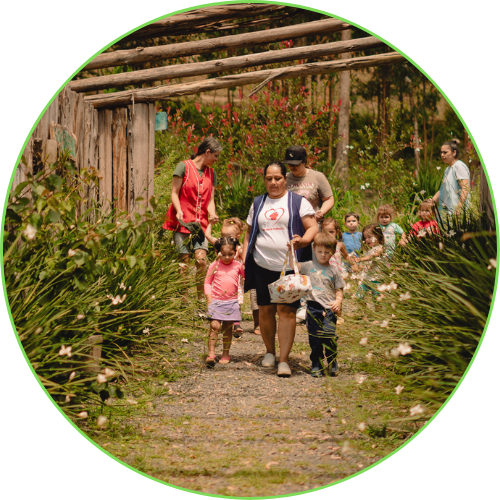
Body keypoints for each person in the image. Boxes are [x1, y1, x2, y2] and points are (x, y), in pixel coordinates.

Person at [242, 161, 319, 377]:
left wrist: (303, 241)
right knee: (265, 310)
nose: (273, 182)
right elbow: (249, 232)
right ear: (264, 180)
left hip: (288, 268)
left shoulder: (298, 201)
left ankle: (284, 360)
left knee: (286, 311)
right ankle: (269, 352)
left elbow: (313, 227)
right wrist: (244, 258)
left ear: (285, 179)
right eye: (269, 179)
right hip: (261, 264)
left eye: (277, 178)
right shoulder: (258, 202)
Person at [162, 137, 222, 310]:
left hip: (200, 224)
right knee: (184, 263)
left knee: (201, 261)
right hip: (182, 221)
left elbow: (211, 200)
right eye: (216, 156)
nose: (216, 160)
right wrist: (178, 210)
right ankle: (184, 300)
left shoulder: (211, 173)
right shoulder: (183, 167)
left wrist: (212, 213)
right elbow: (174, 192)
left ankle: (200, 299)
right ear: (207, 152)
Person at [290, 232, 344, 377]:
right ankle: (317, 363)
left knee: (329, 335)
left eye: (327, 252)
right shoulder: (308, 266)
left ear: (333, 252)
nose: (323, 255)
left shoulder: (334, 271)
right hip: (313, 307)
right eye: (320, 251)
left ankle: (332, 361)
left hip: (329, 308)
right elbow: (292, 265)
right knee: (314, 337)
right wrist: (291, 249)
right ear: (314, 249)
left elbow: (339, 289)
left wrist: (338, 301)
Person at [204, 237, 245, 366]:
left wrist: (245, 265)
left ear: (235, 253)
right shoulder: (214, 265)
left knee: (227, 329)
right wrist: (209, 298)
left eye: (230, 254)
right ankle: (211, 353)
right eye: (223, 254)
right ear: (217, 253)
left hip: (231, 302)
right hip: (216, 301)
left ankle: (225, 353)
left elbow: (246, 277)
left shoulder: (238, 265)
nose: (227, 257)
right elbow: (207, 282)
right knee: (215, 326)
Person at [206, 217, 247, 338]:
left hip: (236, 277)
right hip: (221, 275)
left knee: (236, 301)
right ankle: (218, 317)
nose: (225, 239)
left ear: (237, 236)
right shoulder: (220, 244)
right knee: (221, 297)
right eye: (223, 236)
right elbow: (208, 236)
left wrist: (244, 265)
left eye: (229, 237)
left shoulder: (238, 248)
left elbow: (245, 257)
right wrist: (210, 224)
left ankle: (236, 322)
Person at [283, 145, 334, 232]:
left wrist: (321, 212)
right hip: (290, 224)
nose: (292, 167)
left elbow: (329, 199)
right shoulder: (284, 179)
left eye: (296, 164)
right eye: (290, 164)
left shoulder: (317, 177)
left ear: (304, 161)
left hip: (313, 224)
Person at [432, 139, 470, 216]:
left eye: (445, 152)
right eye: (441, 152)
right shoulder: (447, 169)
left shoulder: (459, 166)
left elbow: (465, 188)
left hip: (458, 213)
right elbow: (443, 190)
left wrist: (459, 207)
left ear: (454, 153)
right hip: (448, 213)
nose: (442, 155)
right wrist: (431, 202)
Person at [351, 223, 386, 299]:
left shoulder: (380, 248)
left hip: (376, 279)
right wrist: (357, 268)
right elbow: (363, 265)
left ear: (378, 236)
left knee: (377, 299)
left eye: (369, 237)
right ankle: (363, 307)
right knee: (359, 297)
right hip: (366, 279)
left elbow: (373, 256)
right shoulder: (367, 251)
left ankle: (377, 307)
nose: (367, 240)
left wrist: (360, 259)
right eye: (365, 238)